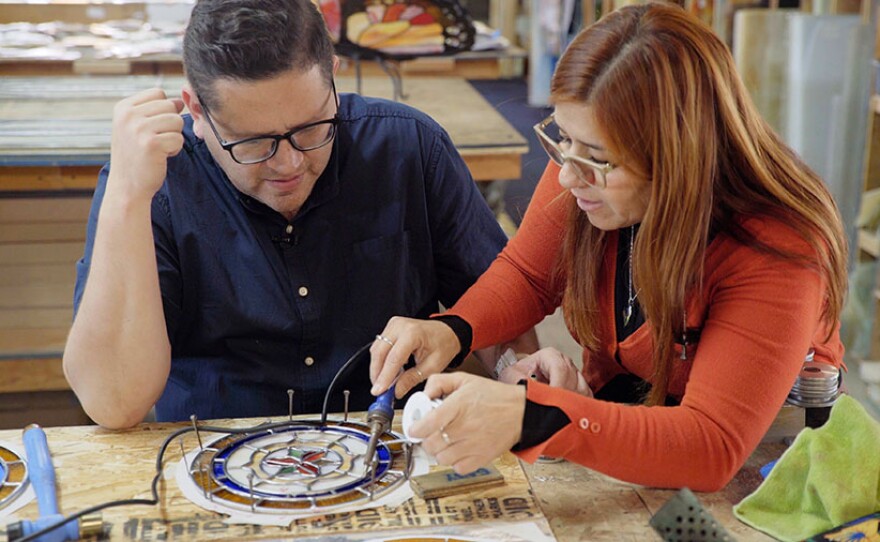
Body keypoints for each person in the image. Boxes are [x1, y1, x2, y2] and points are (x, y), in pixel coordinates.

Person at [369, 1, 848, 492]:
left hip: (758, 465)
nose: (568, 175)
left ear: (678, 157)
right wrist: (455, 330)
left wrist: (532, 418)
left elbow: (709, 447)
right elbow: (531, 276)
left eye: (598, 159)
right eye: (561, 139)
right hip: (634, 426)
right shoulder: (583, 171)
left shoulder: (778, 248)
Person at [63, 0, 535, 429]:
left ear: (333, 75)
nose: (288, 164)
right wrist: (125, 196)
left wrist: (512, 372)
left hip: (392, 444)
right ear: (196, 112)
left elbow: (502, 313)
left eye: (311, 129)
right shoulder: (155, 180)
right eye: (253, 142)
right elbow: (113, 404)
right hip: (212, 457)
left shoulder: (408, 147)